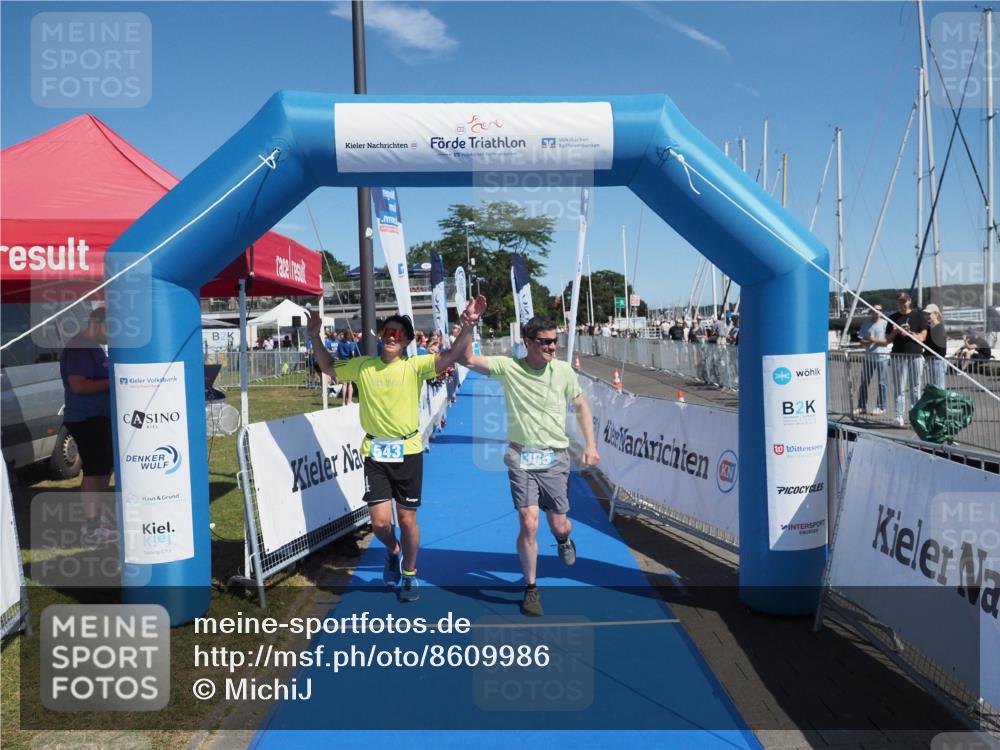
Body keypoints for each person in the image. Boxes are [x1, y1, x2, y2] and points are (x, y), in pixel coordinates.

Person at [308, 297, 486, 602]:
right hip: (375, 452)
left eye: (398, 334)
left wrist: (468, 324)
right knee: (379, 523)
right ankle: (393, 550)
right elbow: (328, 367)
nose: (392, 337)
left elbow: (453, 355)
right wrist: (314, 336)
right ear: (380, 337)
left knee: (407, 520)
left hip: (408, 451)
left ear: (405, 342)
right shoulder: (363, 366)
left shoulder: (415, 366)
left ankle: (410, 573)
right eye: (387, 332)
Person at [460, 315, 600, 617]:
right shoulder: (509, 367)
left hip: (555, 458)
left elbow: (581, 406)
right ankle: (531, 589)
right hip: (521, 456)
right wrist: (469, 323)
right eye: (545, 341)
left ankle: (563, 539)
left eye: (554, 341)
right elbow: (467, 358)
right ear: (527, 343)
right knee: (529, 521)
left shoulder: (563, 371)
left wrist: (590, 445)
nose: (551, 346)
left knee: (558, 523)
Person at [59, 307, 116, 546]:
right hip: (86, 419)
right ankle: (91, 527)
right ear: (98, 322)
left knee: (103, 470)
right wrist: (114, 380)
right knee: (94, 472)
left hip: (98, 418)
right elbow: (79, 386)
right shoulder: (79, 347)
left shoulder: (93, 347)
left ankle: (98, 521)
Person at [886, 291, 927, 426]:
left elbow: (922, 338)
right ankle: (899, 416)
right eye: (899, 301)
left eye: (904, 301)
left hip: (915, 355)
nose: (902, 304)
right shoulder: (892, 317)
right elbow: (887, 340)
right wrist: (895, 331)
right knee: (899, 388)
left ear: (909, 301)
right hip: (898, 356)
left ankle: (915, 416)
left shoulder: (919, 316)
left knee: (915, 387)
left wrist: (910, 332)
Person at [854, 304, 890, 416]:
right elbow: (861, 341)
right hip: (869, 357)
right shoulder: (866, 324)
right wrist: (868, 342)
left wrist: (874, 340)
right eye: (875, 310)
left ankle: (881, 406)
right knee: (864, 382)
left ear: (882, 312)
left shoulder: (885, 324)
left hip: (882, 357)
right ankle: (861, 406)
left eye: (879, 310)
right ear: (871, 311)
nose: (877, 312)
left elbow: (887, 341)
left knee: (882, 383)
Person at [922, 303, 948, 388]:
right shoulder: (929, 328)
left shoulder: (939, 328)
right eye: (926, 314)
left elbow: (940, 348)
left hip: (937, 361)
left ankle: (941, 402)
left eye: (929, 314)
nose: (927, 316)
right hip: (930, 361)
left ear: (936, 314)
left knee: (939, 388)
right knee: (933, 388)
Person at [336, 330, 361, 405]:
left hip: (341, 363)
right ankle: (349, 401)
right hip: (349, 364)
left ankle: (343, 401)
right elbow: (353, 354)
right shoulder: (352, 344)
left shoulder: (340, 343)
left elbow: (337, 353)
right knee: (350, 383)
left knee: (344, 383)